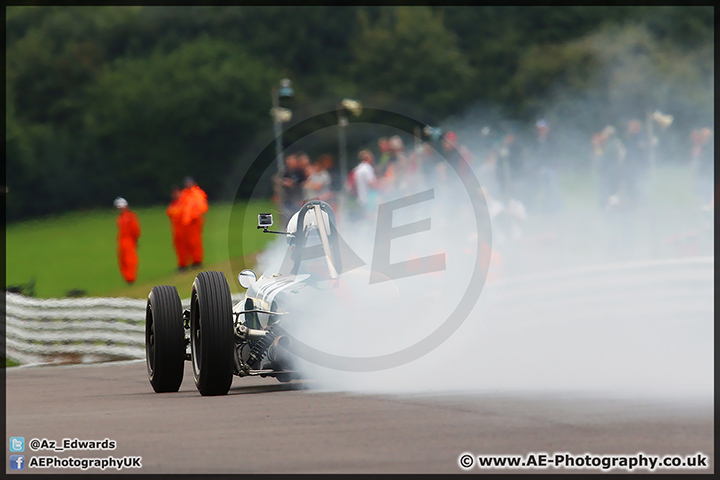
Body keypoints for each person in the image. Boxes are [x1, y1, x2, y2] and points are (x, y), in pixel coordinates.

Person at [527, 119, 563, 214]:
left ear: (546, 129)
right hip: (539, 169)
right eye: (539, 129)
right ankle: (541, 209)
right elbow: (533, 155)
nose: (541, 130)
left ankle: (555, 209)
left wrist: (557, 167)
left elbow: (557, 154)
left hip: (551, 168)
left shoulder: (553, 140)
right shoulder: (534, 140)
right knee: (540, 189)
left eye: (542, 128)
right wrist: (533, 168)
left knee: (553, 189)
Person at [179, 176, 208, 269]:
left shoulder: (197, 193)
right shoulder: (184, 194)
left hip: (194, 222)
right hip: (184, 223)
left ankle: (197, 261)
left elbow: (202, 207)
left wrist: (196, 216)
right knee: (184, 244)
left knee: (195, 242)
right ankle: (185, 263)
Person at [114, 197, 141, 285]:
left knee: (130, 259)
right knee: (122, 260)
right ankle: (127, 277)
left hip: (129, 239)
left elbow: (135, 229)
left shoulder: (130, 216)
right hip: (122, 240)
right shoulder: (120, 217)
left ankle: (131, 278)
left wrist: (135, 239)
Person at [166, 185, 190, 271]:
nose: (175, 195)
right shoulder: (174, 203)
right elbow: (169, 212)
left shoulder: (184, 201)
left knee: (187, 245)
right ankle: (182, 264)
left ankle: (188, 263)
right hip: (177, 229)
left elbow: (181, 213)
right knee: (179, 247)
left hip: (184, 228)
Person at [280, 153, 308, 223]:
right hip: (288, 197)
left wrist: (291, 183)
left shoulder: (299, 172)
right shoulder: (285, 171)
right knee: (287, 214)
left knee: (297, 214)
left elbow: (300, 182)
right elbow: (280, 180)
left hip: (298, 197)